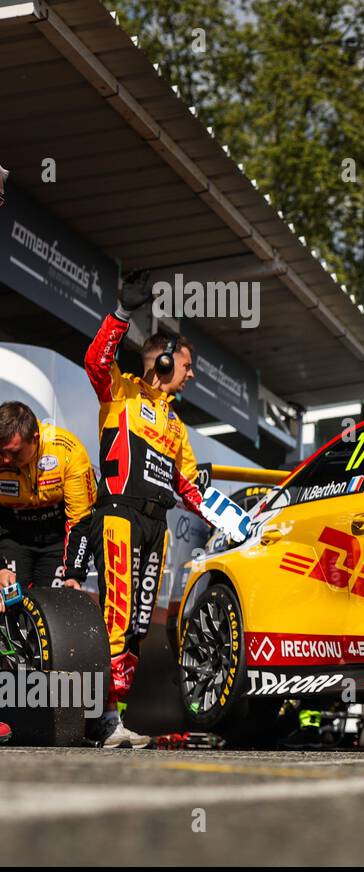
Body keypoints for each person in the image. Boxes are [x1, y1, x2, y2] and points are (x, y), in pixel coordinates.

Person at [70, 270, 215, 747]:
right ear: (167, 361)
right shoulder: (121, 391)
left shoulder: (177, 427)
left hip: (158, 528)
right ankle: (103, 718)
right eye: (187, 366)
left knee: (135, 624)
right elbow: (95, 359)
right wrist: (120, 313)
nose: (191, 375)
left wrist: (232, 518)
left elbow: (190, 486)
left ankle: (121, 718)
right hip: (118, 517)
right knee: (115, 614)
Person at [0, 402, 97, 590]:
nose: (6, 460)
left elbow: (80, 519)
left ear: (35, 439)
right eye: (1, 452)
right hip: (12, 535)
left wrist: (74, 573)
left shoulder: (68, 451)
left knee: (54, 604)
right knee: (9, 599)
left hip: (56, 541)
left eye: (14, 453)